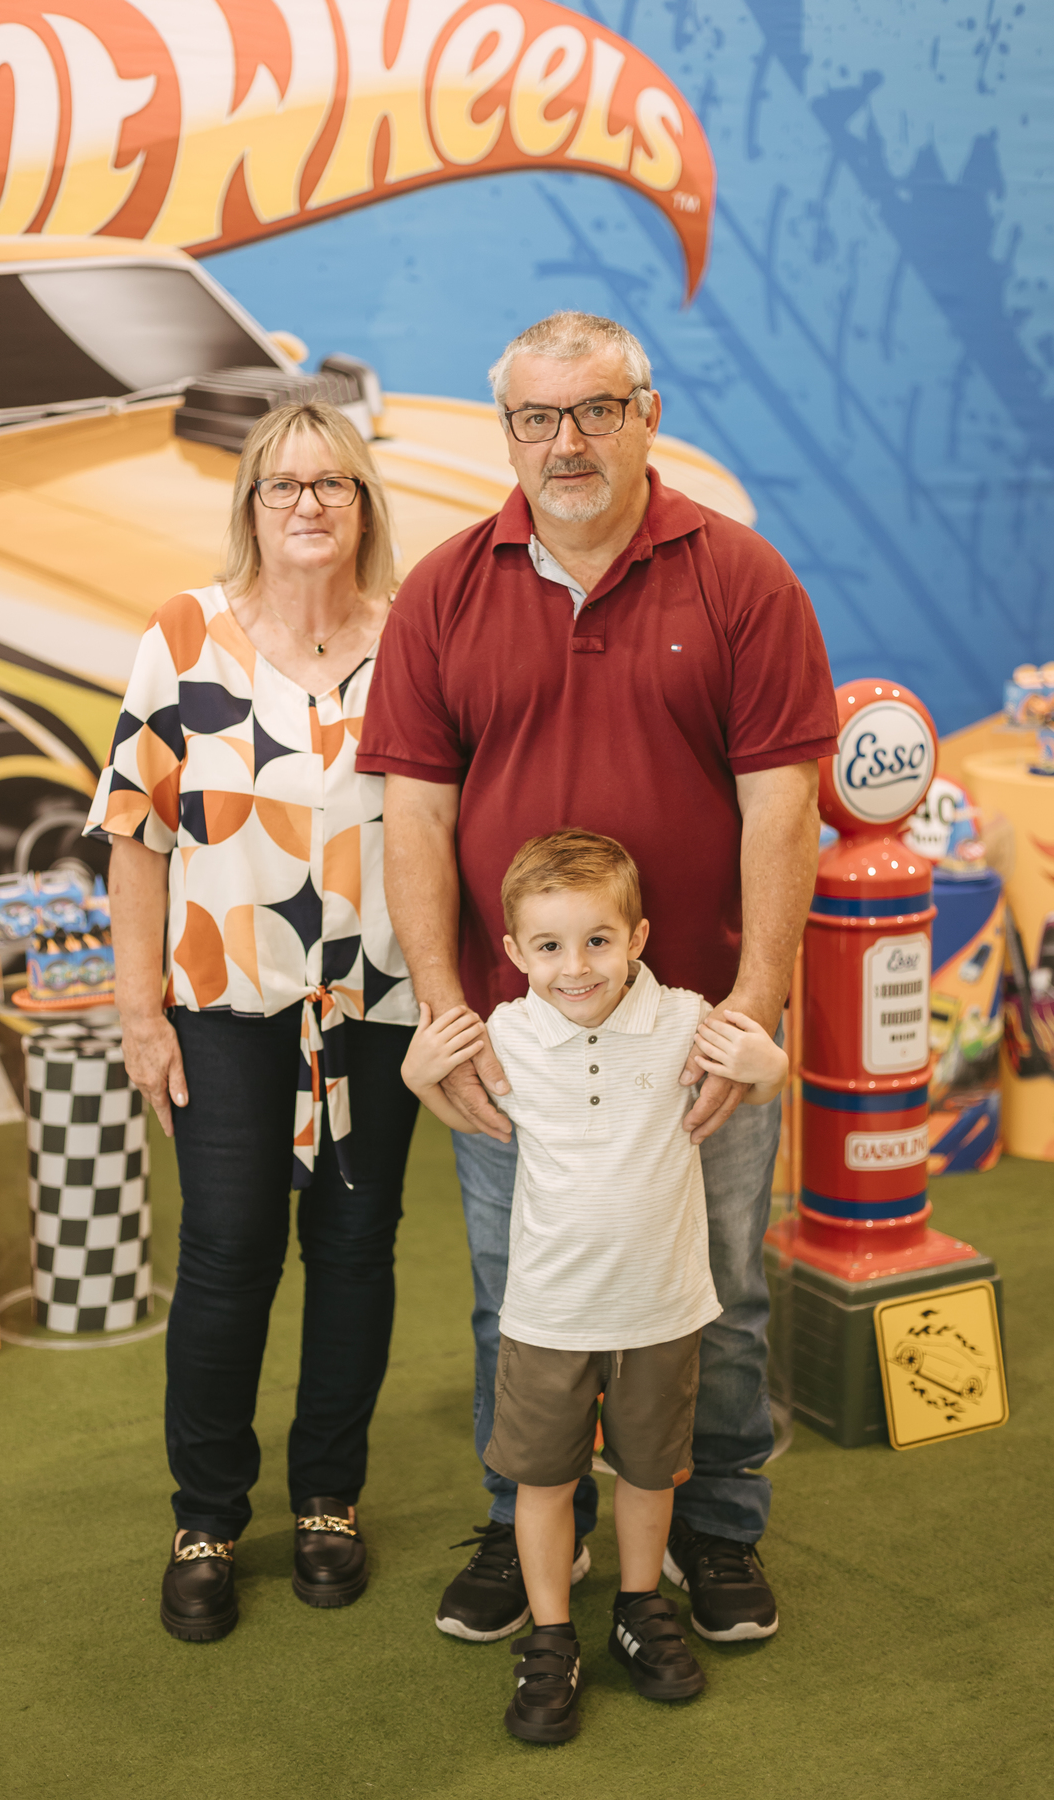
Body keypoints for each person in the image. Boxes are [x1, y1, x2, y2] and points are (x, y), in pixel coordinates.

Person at [356, 311, 838, 1646]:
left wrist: (755, 1010)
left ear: (646, 414)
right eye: (537, 417)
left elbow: (783, 809)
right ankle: (527, 1518)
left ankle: (717, 1525)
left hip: (695, 1043)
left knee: (720, 1295)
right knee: (518, 1290)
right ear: (506, 429)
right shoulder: (443, 593)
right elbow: (415, 819)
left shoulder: (744, 580)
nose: (565, 442)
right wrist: (445, 1016)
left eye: (595, 411)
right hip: (518, 1046)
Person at [87, 401, 419, 1643]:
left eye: (334, 484)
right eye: (285, 486)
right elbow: (136, 836)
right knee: (230, 1252)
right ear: (251, 507)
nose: (310, 505)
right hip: (224, 1004)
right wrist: (140, 1010)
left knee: (356, 1246)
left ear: (364, 504)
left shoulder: (416, 641)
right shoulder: (184, 638)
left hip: (379, 1005)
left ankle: (329, 1497)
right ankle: (207, 1519)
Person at [402, 831, 788, 1741]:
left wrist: (768, 1066)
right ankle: (550, 1632)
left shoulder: (687, 1019)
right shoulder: (505, 1034)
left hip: (662, 1307)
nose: (575, 967)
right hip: (548, 1315)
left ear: (638, 937)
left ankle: (641, 1605)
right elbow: (443, 1090)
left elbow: (767, 1073)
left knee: (651, 1474)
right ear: (513, 951)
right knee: (541, 1479)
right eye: (549, 945)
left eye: (598, 941)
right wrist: (419, 1076)